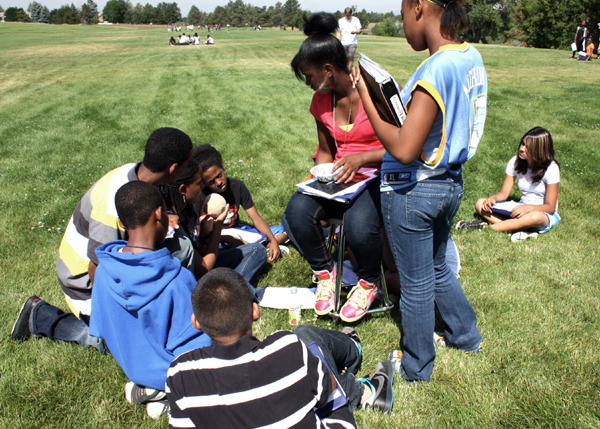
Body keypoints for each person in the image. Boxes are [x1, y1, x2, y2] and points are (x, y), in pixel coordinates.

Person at [350, 0, 485, 381]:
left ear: (420, 6)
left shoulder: (435, 69)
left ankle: (416, 365)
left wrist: (368, 100)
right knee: (438, 266)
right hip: (448, 184)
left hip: (414, 191)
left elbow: (406, 149)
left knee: (416, 282)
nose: (403, 22)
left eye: (403, 12)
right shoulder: (468, 56)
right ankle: (466, 335)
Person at [11, 127, 193, 354]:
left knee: (179, 250)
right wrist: (113, 316)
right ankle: (41, 317)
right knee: (128, 344)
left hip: (111, 263)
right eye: (187, 164)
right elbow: (97, 267)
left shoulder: (136, 174)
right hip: (83, 281)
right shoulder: (111, 207)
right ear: (174, 168)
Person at [165, 267, 394, 429]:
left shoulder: (180, 374)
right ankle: (362, 384)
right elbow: (329, 389)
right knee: (306, 335)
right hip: (325, 402)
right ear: (255, 311)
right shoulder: (287, 347)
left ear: (196, 322)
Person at [284, 13, 386, 323]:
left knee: (358, 224)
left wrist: (361, 158)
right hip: (341, 177)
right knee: (296, 212)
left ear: (328, 70)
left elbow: (401, 146)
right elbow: (326, 151)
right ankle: (326, 274)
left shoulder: (373, 89)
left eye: (310, 76)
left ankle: (369, 282)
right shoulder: (320, 102)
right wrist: (317, 181)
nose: (309, 84)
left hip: (379, 175)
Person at [88, 181, 212, 418]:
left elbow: (101, 328)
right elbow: (200, 340)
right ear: (159, 213)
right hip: (175, 372)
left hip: (133, 367)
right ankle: (169, 394)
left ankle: (153, 389)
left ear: (122, 223)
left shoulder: (103, 271)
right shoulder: (177, 279)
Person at [160, 158, 267, 291]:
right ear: (182, 190)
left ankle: (237, 287)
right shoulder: (173, 227)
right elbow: (203, 270)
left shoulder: (190, 207)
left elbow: (201, 253)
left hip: (201, 268)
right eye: (199, 183)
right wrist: (217, 226)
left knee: (257, 250)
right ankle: (235, 292)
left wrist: (205, 234)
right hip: (194, 282)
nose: (203, 187)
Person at [459, 127, 560, 242]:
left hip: (542, 215)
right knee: (480, 203)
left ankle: (485, 228)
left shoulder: (551, 168)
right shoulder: (515, 162)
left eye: (528, 147)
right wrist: (492, 198)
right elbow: (504, 193)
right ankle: (520, 230)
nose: (522, 149)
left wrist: (529, 208)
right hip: (519, 208)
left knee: (534, 216)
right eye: (522, 143)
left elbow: (550, 207)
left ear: (539, 150)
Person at [193, 144, 288, 262]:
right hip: (215, 239)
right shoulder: (200, 196)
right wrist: (226, 238)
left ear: (222, 167)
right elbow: (200, 236)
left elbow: (256, 218)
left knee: (284, 229)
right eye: (211, 182)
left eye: (219, 175)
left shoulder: (237, 186)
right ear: (204, 183)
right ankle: (258, 248)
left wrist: (273, 240)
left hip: (238, 231)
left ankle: (257, 248)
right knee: (207, 252)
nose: (218, 182)